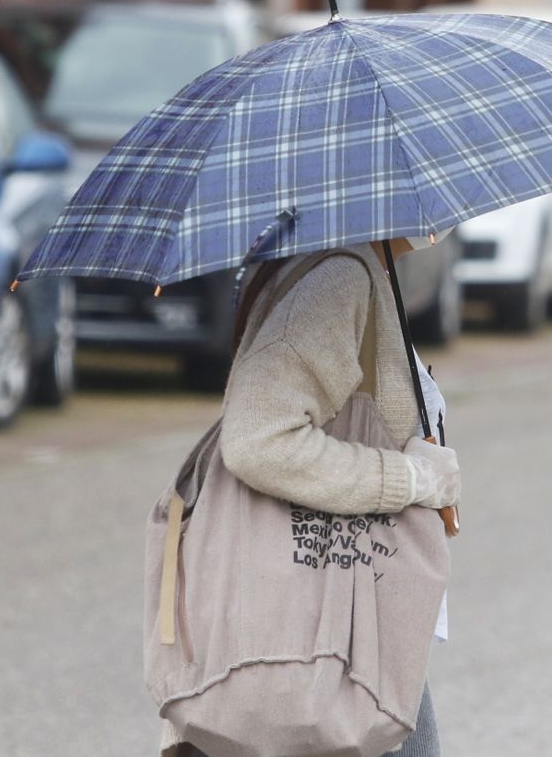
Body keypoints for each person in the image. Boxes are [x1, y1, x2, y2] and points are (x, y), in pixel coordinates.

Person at [173, 239, 460, 757]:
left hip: (361, 625)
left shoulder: (351, 269)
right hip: (337, 630)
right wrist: (410, 479)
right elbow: (258, 439)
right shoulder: (337, 279)